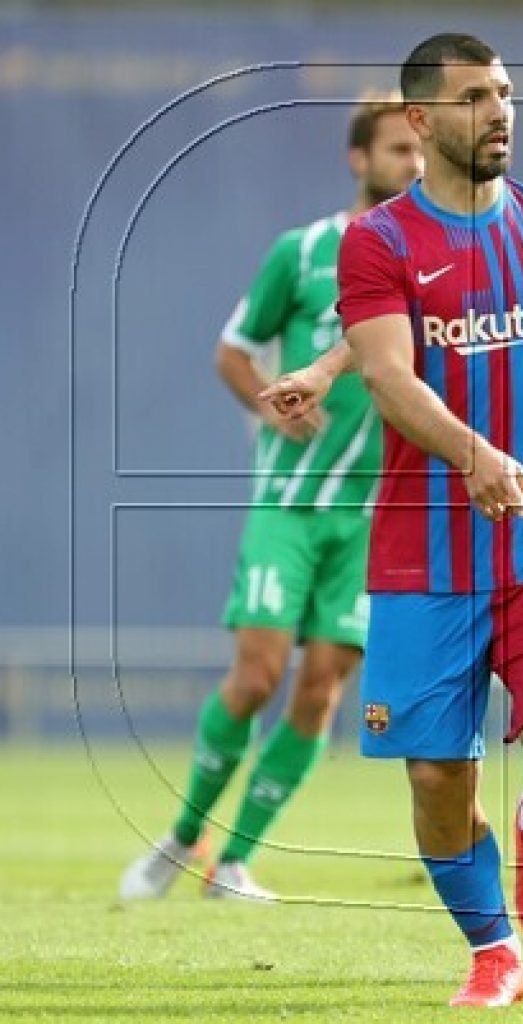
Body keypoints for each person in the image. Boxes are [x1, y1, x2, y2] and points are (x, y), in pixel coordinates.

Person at [259, 34, 523, 1009]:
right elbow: (388, 374)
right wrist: (472, 452)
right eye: (473, 98)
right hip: (423, 557)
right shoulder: (382, 241)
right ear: (420, 121)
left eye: (505, 94)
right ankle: (493, 954)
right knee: (438, 784)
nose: (499, 113)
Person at [118, 94, 423, 902]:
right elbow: (233, 351)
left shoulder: (435, 260)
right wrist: (268, 400)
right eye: (397, 149)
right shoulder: (304, 251)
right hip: (288, 504)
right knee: (255, 676)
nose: (413, 165)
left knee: (322, 686)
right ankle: (182, 837)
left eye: (419, 151)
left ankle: (234, 861)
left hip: (372, 519)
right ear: (360, 159)